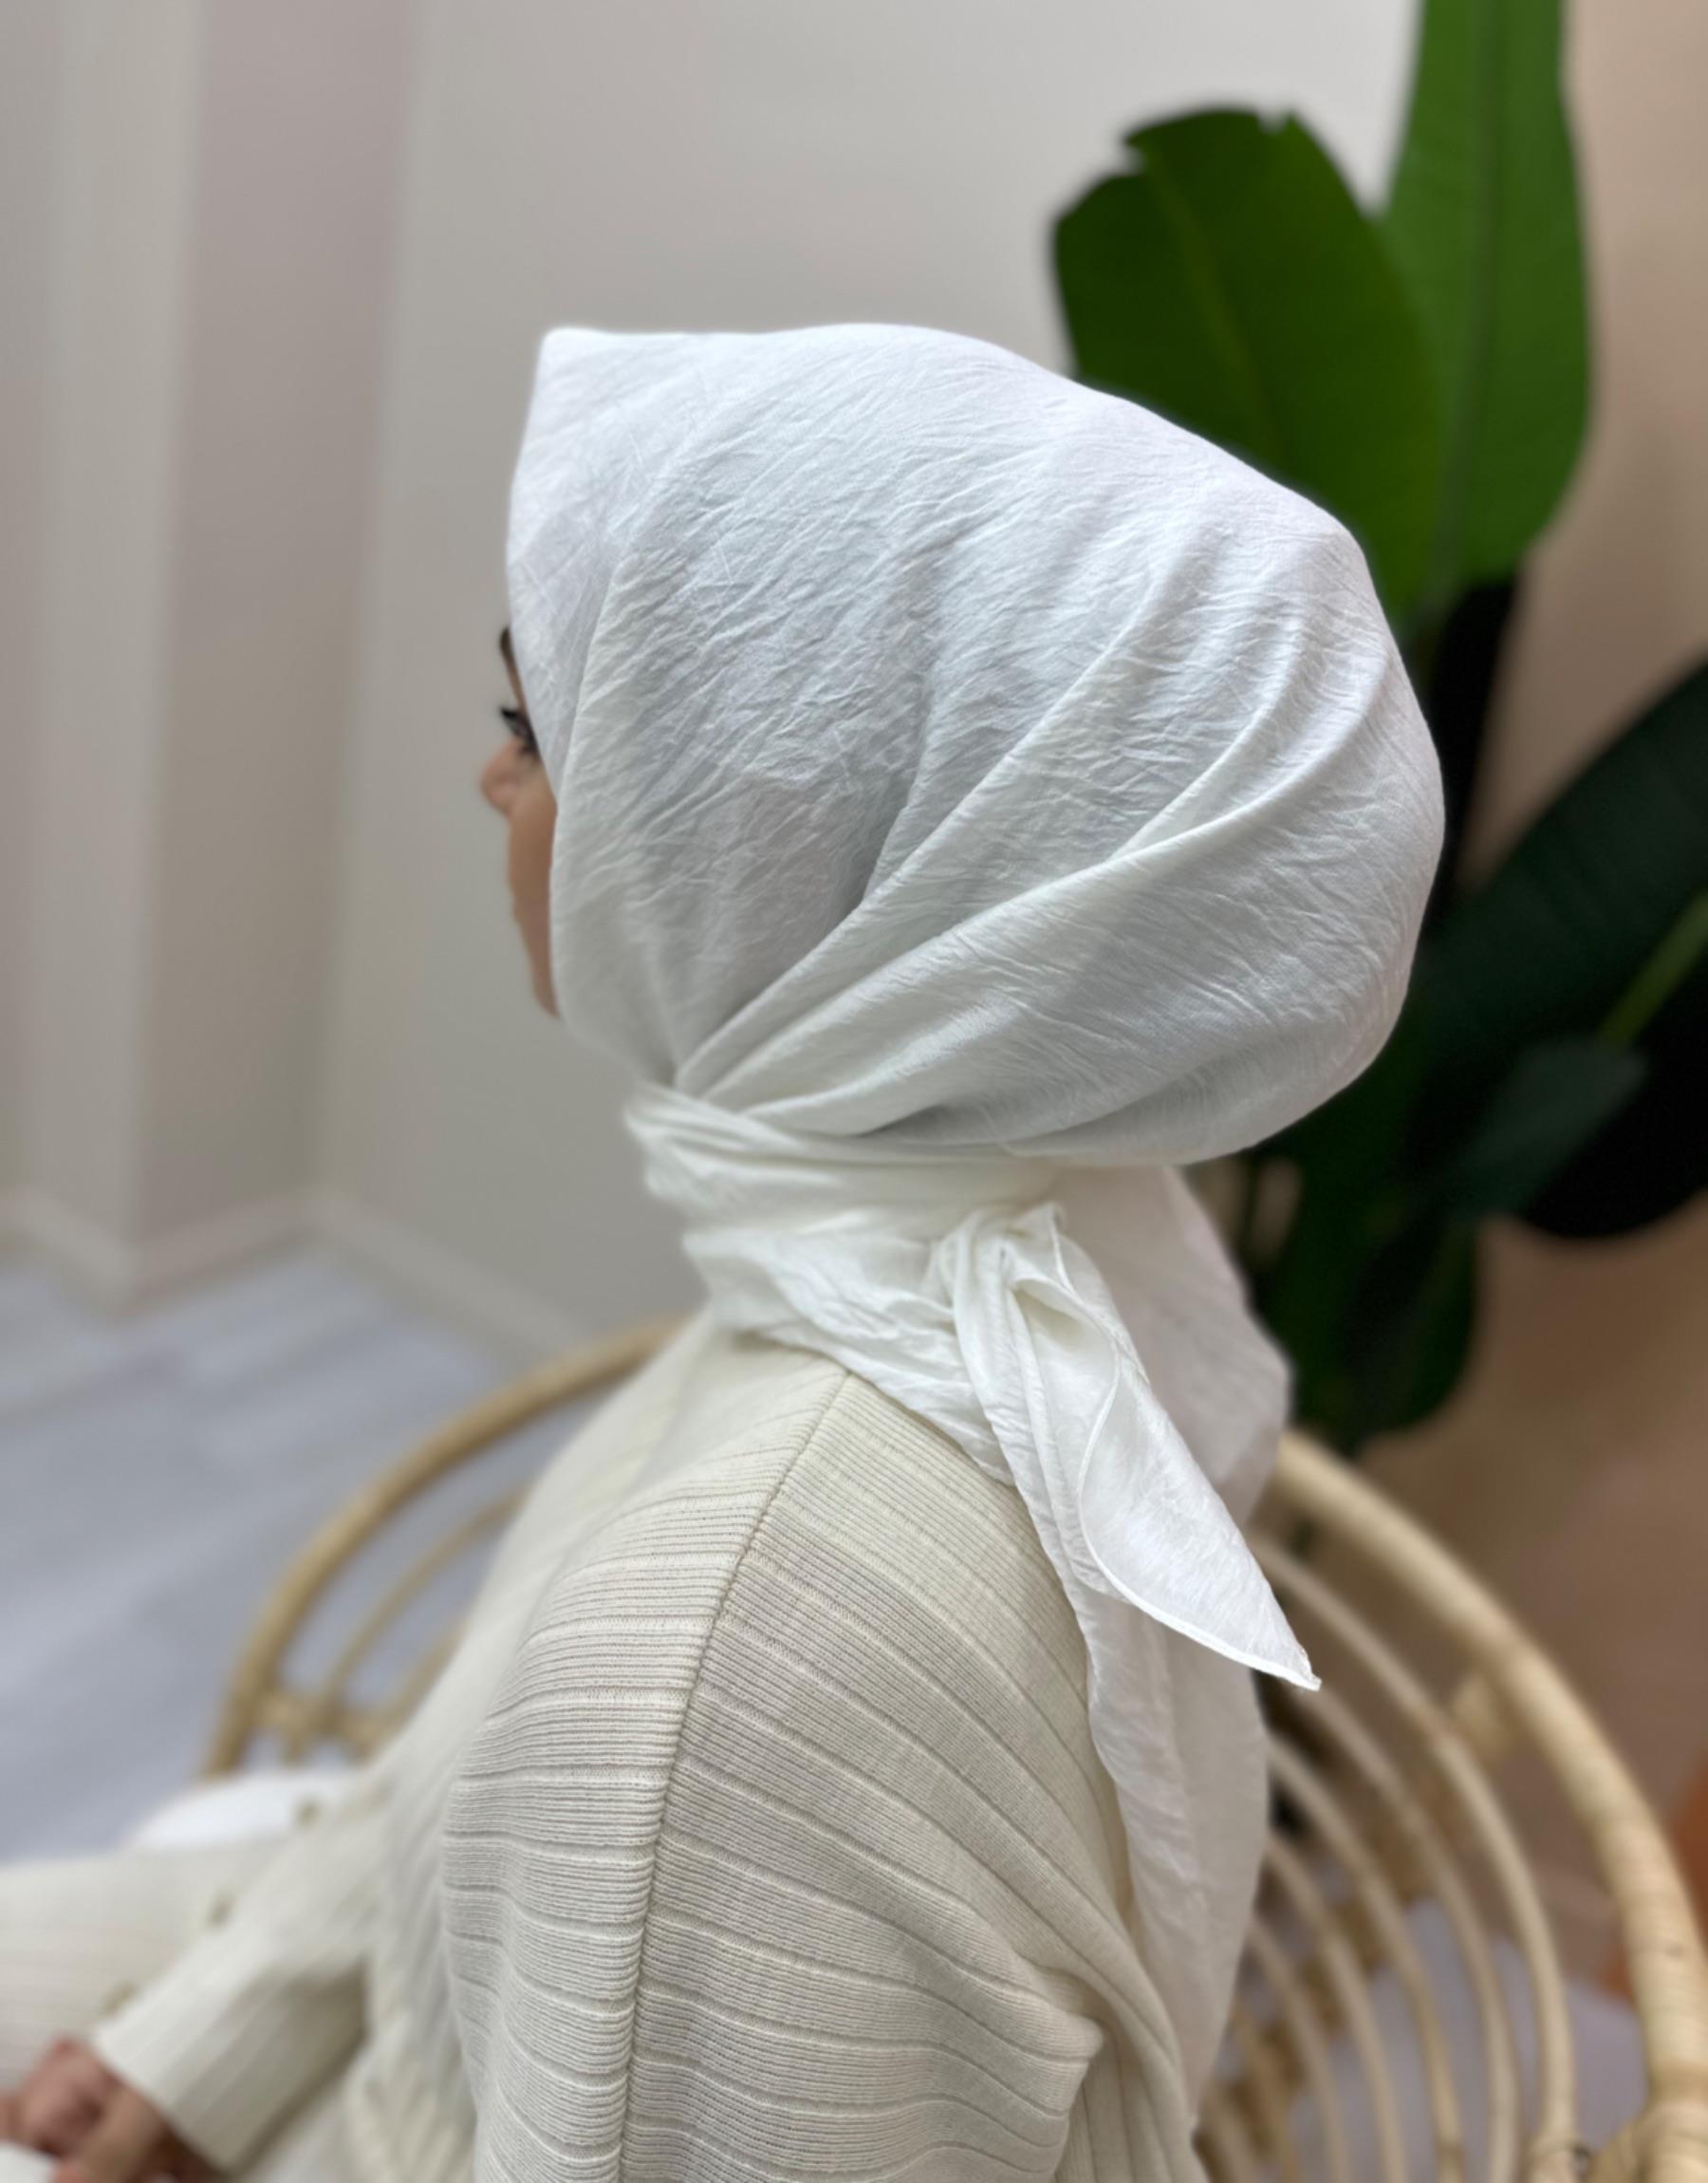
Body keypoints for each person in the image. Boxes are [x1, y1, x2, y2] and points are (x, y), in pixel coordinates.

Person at [0, 323, 1441, 2183]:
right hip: (413, 1989)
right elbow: (477, 1761)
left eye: (540, 728)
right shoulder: (1002, 1235)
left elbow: (650, 1828)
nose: (492, 783)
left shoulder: (731, 1669)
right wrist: (222, 2032)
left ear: (790, 835)